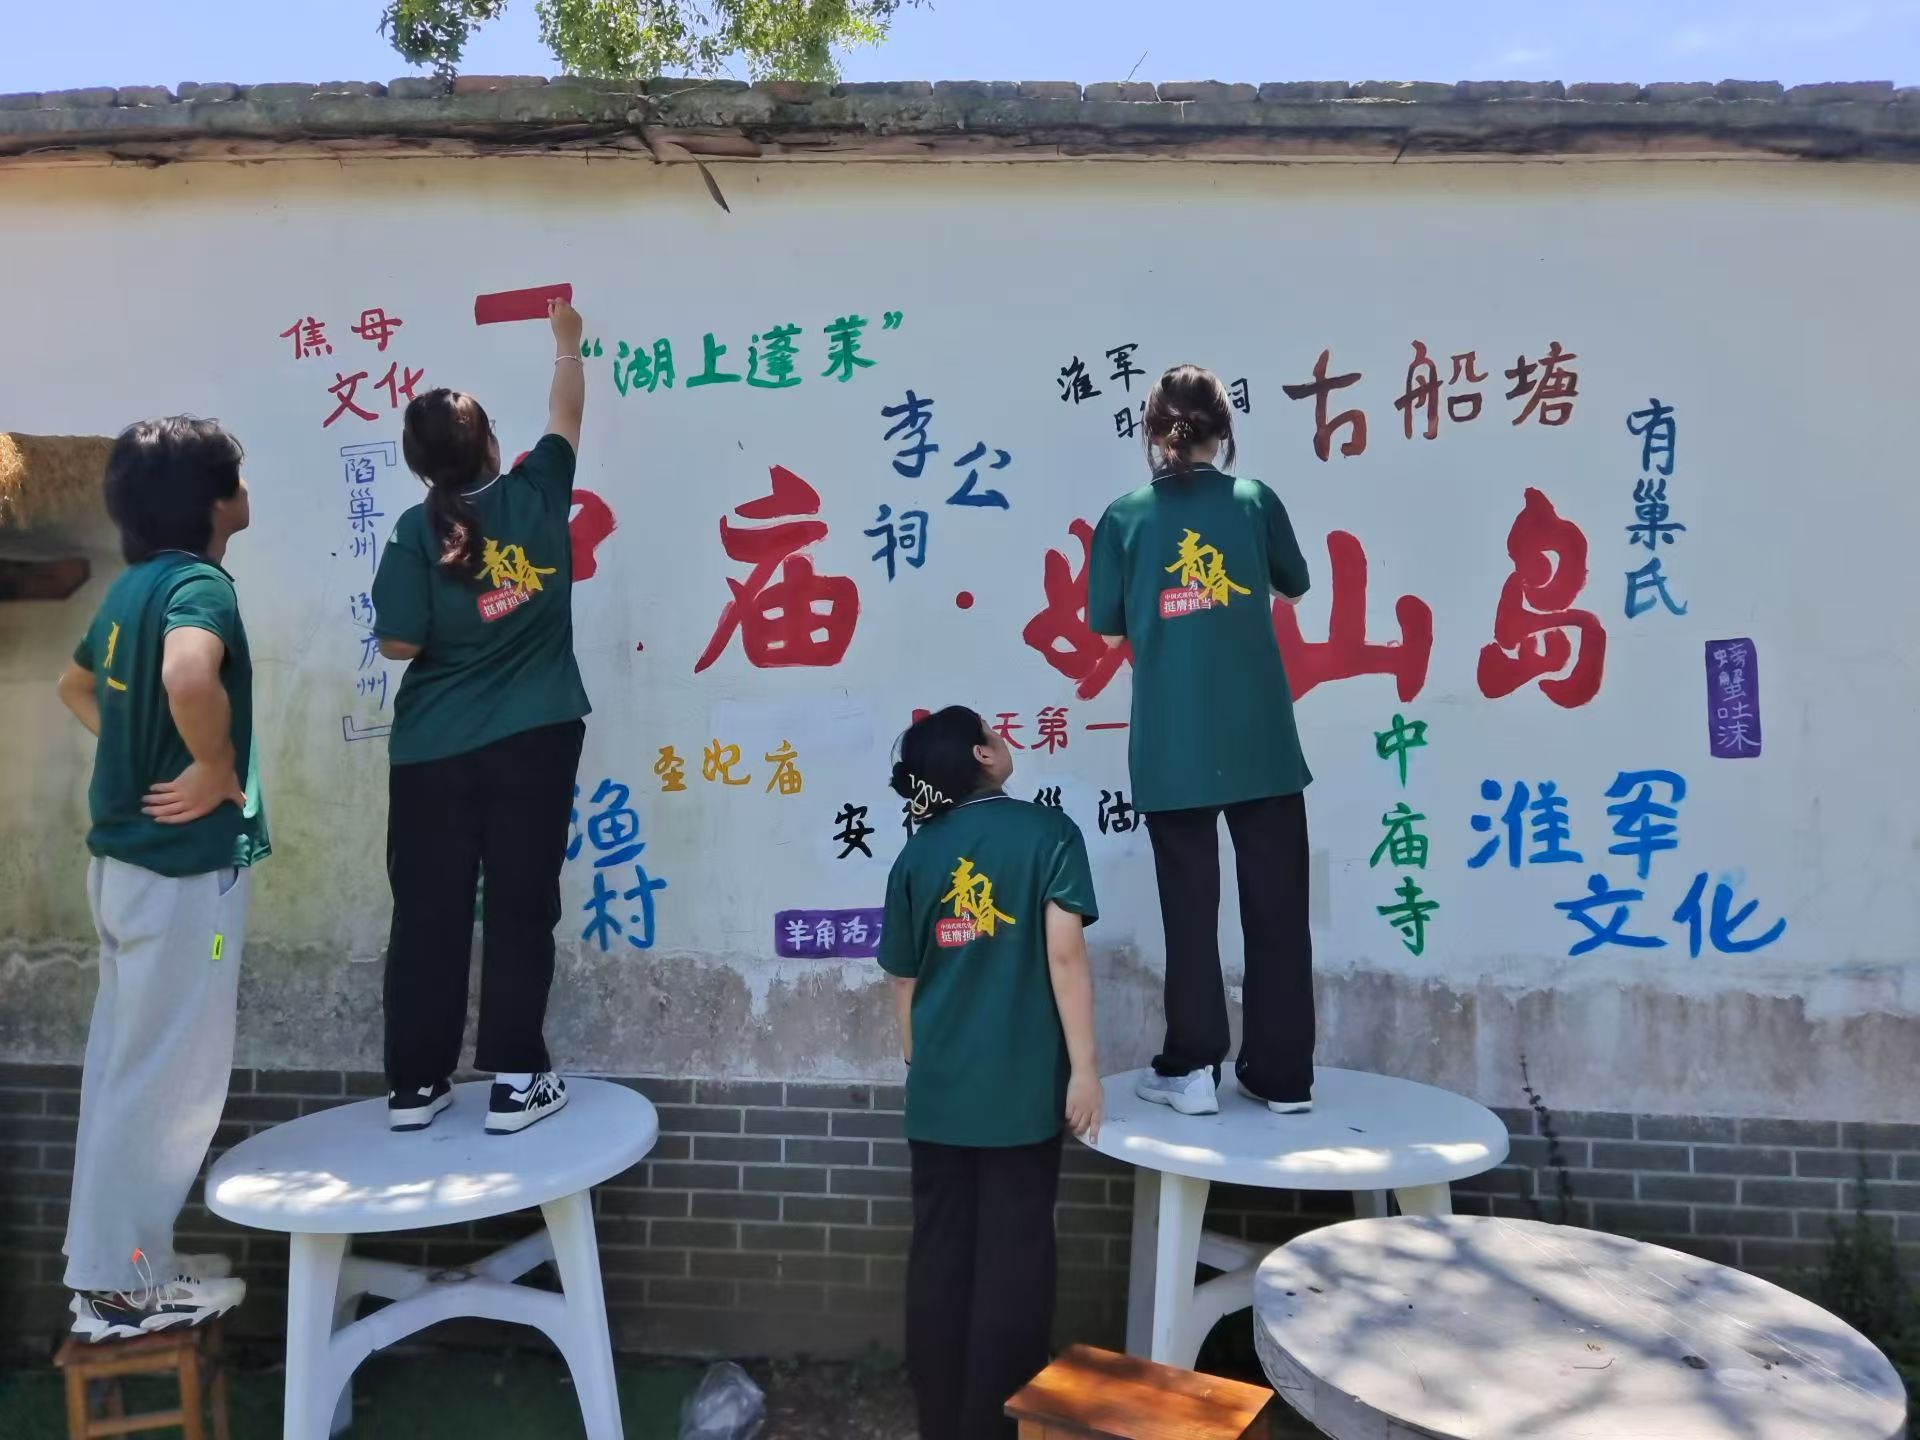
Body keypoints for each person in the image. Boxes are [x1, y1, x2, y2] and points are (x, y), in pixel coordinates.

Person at [55, 417, 263, 1339]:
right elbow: (188, 675)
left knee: (126, 1071)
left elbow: (74, 688)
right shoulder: (198, 585)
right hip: (186, 885)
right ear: (214, 503)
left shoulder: (130, 589)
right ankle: (117, 1291)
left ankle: (124, 1267)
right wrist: (212, 766)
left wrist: (141, 758)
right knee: (171, 1082)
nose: (245, 491)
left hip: (126, 874)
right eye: (238, 478)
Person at [370, 298, 589, 1136]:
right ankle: (514, 1081)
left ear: (419, 465)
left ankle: (416, 1088)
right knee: (521, 902)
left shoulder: (411, 531)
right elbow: (565, 413)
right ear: (493, 442)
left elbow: (397, 643)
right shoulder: (540, 490)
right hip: (535, 737)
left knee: (427, 909)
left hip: (432, 750)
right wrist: (566, 341)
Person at [1087, 363, 1316, 1119]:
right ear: (1225, 431)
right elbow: (1294, 582)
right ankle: (1284, 1077)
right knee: (1278, 911)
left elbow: (1110, 623)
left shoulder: (1124, 517)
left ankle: (1191, 1072)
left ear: (1152, 433)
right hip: (1262, 740)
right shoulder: (1255, 502)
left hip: (1171, 742)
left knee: (1190, 912)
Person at [878, 705, 1103, 1440]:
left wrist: (922, 1062)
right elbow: (1064, 957)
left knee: (939, 1254)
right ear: (983, 756)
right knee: (1016, 1258)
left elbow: (905, 983)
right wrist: (1085, 1072)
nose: (1005, 745)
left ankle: (940, 1424)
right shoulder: (1049, 834)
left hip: (939, 1097)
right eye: (996, 737)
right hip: (1021, 1097)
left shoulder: (916, 855)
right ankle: (997, 1425)